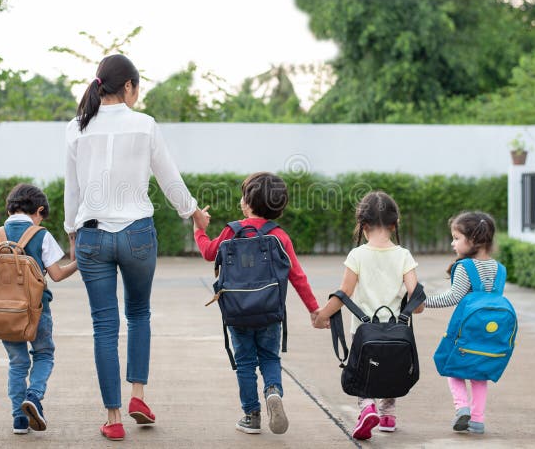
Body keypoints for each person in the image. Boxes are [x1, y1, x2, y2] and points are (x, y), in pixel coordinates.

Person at [64, 54, 210, 442]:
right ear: (128, 86)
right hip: (138, 236)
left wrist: (71, 232)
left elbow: (72, 189)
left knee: (103, 327)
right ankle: (138, 396)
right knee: (140, 314)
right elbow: (169, 177)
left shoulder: (76, 127)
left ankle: (112, 418)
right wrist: (193, 213)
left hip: (92, 235)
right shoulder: (145, 126)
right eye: (137, 87)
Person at [194, 172, 320, 436]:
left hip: (237, 313)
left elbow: (209, 253)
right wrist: (314, 309)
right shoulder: (279, 236)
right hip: (270, 312)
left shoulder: (232, 230)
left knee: (245, 362)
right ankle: (273, 391)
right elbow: (297, 276)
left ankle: (251, 416)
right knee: (270, 358)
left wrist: (199, 230)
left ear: (247, 202)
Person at [313, 190, 422, 440]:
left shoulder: (357, 255)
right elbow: (417, 301)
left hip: (363, 330)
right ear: (395, 225)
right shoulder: (404, 255)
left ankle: (367, 408)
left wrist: (322, 315)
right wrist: (413, 307)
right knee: (391, 366)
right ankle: (388, 415)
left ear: (363, 226)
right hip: (396, 329)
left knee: (365, 368)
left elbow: (344, 293)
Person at [0, 183, 77, 435]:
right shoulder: (41, 235)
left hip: (1, 313)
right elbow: (57, 275)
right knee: (44, 354)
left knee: (17, 363)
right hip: (35, 311)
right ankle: (34, 395)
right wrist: (79, 263)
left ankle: (19, 420)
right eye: (42, 216)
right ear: (39, 210)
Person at [423, 211, 499, 435]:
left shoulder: (466, 267)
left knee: (451, 367)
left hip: (465, 330)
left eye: (456, 238)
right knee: (479, 374)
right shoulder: (499, 269)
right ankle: (477, 420)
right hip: (490, 333)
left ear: (473, 240)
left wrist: (423, 302)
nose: (452, 243)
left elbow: (452, 298)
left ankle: (462, 407)